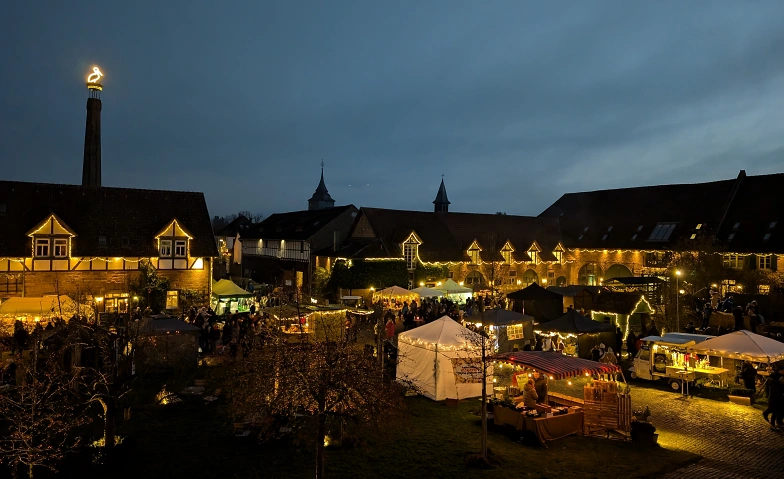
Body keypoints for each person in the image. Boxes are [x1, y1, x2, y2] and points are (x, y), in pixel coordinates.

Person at [763, 364, 784, 430]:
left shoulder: (780, 376)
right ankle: (772, 424)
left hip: (781, 395)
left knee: (779, 409)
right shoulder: (775, 376)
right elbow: (771, 386)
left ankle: (778, 423)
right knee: (774, 409)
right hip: (775, 395)